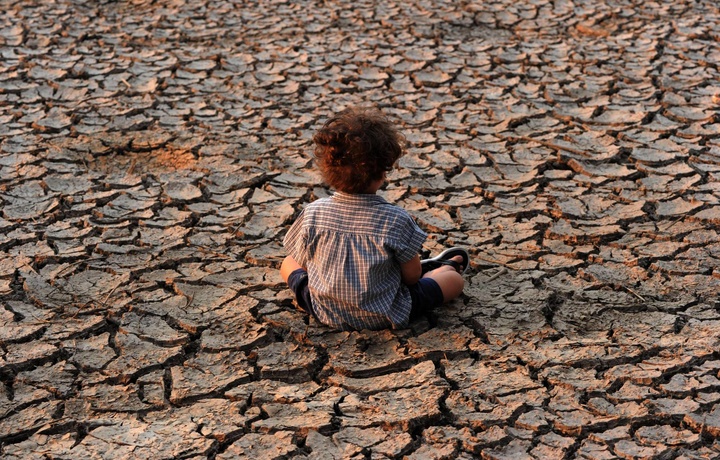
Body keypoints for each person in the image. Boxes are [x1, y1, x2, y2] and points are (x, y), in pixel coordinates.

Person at [280, 106, 466, 331]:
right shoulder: (395, 219)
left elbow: (303, 263)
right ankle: (439, 268)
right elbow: (411, 277)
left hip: (324, 310)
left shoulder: (313, 213)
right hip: (385, 313)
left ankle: (433, 268)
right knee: (453, 280)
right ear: (382, 173)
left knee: (287, 262)